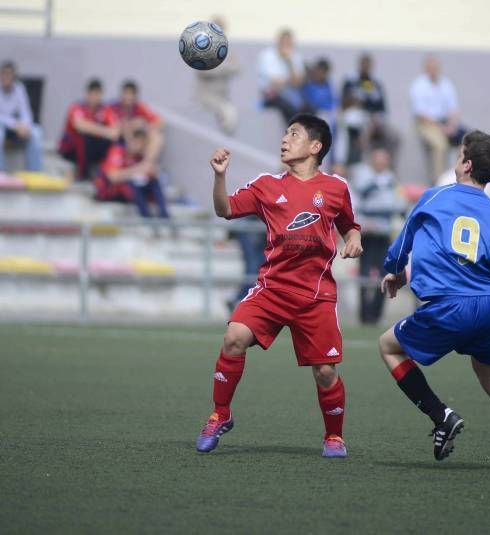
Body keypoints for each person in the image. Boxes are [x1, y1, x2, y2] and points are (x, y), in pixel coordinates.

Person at [378, 130, 490, 471]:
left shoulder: (434, 198)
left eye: (459, 154)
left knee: (388, 347)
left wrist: (395, 273)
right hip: (486, 307)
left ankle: (440, 415)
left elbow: (398, 249)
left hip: (447, 306)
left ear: (466, 164)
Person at [196, 113, 363, 458]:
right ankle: (219, 414)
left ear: (315, 147)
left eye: (294, 134)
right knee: (233, 337)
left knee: (326, 372)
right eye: (285, 133)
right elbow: (224, 208)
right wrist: (220, 176)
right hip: (272, 290)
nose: (285, 139)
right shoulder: (266, 186)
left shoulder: (336, 188)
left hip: (316, 296)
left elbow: (350, 224)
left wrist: (354, 238)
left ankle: (334, 436)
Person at [349, 146, 406, 323]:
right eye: (378, 158)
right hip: (368, 233)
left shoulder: (391, 180)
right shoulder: (363, 178)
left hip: (384, 234)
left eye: (384, 159)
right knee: (365, 274)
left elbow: (400, 204)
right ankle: (364, 315)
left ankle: (376, 315)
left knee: (384, 274)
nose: (381, 162)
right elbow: (354, 203)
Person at [409, 55, 465, 183]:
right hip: (426, 124)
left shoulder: (446, 84)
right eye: (431, 67)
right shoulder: (418, 86)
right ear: (426, 68)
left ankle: (461, 177)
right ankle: (439, 181)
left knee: (467, 140)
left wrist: (452, 125)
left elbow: (453, 108)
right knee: (440, 145)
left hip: (446, 123)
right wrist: (442, 127)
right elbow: (420, 114)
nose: (434, 70)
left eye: (436, 67)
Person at [93, 128, 169, 219]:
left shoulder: (140, 156)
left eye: (141, 144)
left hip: (129, 192)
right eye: (136, 142)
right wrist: (137, 170)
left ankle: (164, 214)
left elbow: (147, 171)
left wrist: (150, 171)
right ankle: (147, 217)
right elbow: (113, 177)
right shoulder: (118, 151)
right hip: (111, 191)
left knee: (153, 180)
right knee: (133, 181)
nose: (138, 146)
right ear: (130, 140)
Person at [337, 53, 396, 166]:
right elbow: (344, 103)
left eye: (368, 65)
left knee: (394, 137)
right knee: (348, 123)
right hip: (355, 117)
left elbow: (382, 108)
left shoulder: (375, 83)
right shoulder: (351, 81)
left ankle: (386, 168)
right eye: (363, 65)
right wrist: (356, 102)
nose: (365, 67)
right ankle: (343, 162)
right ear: (359, 65)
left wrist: (376, 119)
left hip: (374, 118)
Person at [58, 78, 120, 180]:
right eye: (93, 94)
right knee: (84, 138)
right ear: (87, 93)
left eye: (98, 94)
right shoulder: (77, 107)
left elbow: (115, 131)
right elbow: (80, 126)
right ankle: (82, 173)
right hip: (71, 149)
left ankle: (103, 174)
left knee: (112, 143)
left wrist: (96, 130)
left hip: (93, 148)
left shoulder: (105, 109)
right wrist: (104, 131)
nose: (95, 97)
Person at [195, 15, 240, 135]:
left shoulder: (227, 49)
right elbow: (203, 71)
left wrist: (217, 67)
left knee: (231, 113)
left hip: (223, 95)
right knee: (227, 112)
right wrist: (223, 68)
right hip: (207, 96)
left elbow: (236, 68)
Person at [257, 29, 309, 125]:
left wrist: (289, 62)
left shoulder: (295, 56)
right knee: (289, 109)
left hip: (292, 95)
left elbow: (299, 82)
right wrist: (291, 80)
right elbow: (274, 82)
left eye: (289, 43)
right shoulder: (267, 56)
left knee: (308, 109)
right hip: (272, 95)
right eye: (284, 42)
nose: (286, 45)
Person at [0, 60, 43, 172]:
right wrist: (16, 125)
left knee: (36, 133)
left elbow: (26, 112)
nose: (5, 77)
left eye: (8, 74)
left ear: (14, 76)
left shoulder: (19, 88)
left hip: (17, 129)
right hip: (4, 126)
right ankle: (1, 172)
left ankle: (34, 172)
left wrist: (25, 126)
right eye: (3, 73)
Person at [110, 79, 164, 165]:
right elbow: (113, 126)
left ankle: (146, 164)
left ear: (135, 96)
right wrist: (131, 124)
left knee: (156, 137)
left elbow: (160, 121)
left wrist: (144, 126)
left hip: (137, 140)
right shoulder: (113, 107)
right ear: (121, 94)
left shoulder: (139, 107)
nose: (128, 97)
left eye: (131, 94)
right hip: (118, 139)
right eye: (126, 93)